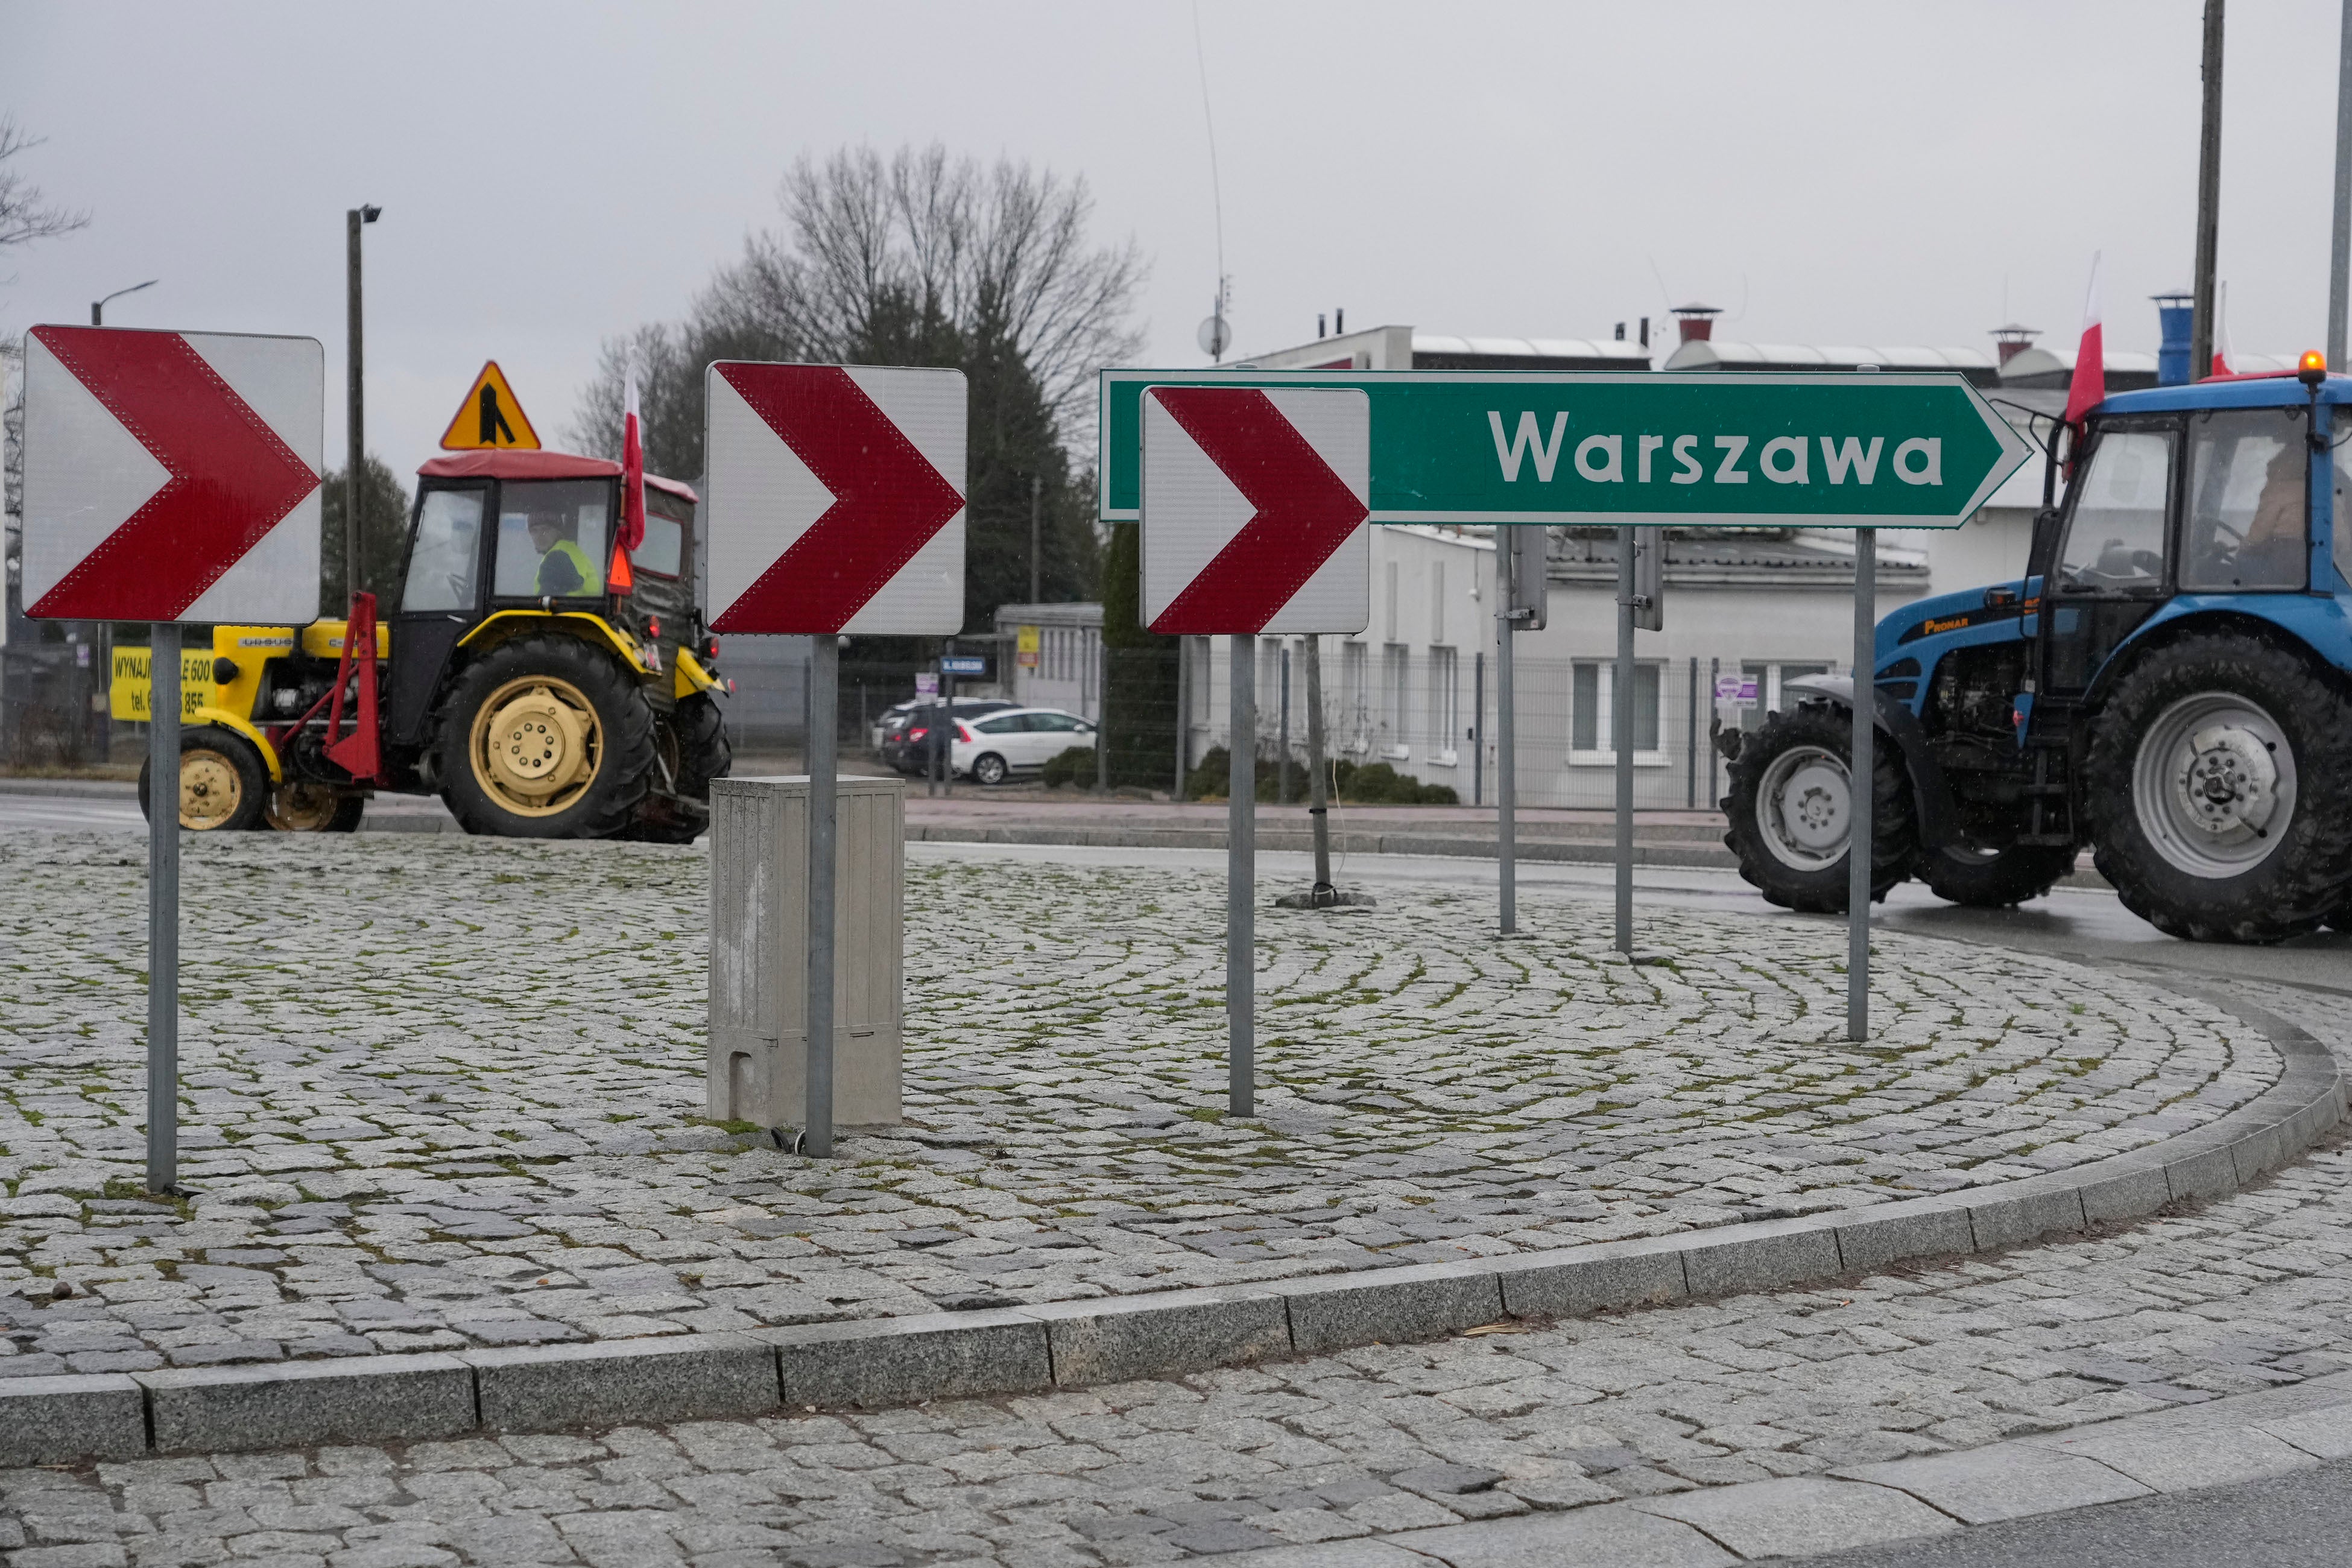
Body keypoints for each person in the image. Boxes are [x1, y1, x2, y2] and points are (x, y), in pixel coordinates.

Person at [528, 511, 601, 597]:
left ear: (558, 532)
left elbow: (551, 600)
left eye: (546, 530)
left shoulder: (559, 555)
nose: (539, 536)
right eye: (534, 531)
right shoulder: (568, 550)